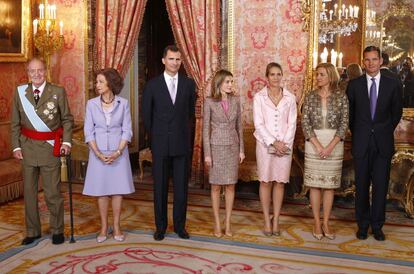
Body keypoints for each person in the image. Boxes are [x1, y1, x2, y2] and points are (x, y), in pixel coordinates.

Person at [11, 57, 73, 245]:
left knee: (52, 193)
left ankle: (57, 230)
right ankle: (32, 231)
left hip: (49, 148)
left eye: (39, 70)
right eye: (32, 71)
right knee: (29, 193)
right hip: (27, 148)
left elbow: (67, 120)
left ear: (45, 71)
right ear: (27, 73)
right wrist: (16, 146)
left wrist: (67, 143)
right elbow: (15, 123)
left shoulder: (57, 92)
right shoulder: (20, 92)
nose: (36, 74)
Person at [347, 46, 403, 241]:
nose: (370, 63)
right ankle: (362, 225)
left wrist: (382, 130)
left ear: (381, 61)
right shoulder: (354, 85)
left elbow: (396, 113)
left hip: (383, 143)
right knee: (361, 186)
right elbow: (351, 116)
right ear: (363, 62)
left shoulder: (392, 84)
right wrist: (362, 132)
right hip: (361, 142)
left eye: (374, 59)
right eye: (367, 60)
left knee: (381, 186)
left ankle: (377, 226)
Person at [142, 45, 196, 241]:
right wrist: (155, 138)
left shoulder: (189, 84)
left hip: (181, 143)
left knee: (181, 188)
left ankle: (180, 226)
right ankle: (161, 227)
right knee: (160, 188)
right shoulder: (152, 85)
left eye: (178, 60)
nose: (175, 63)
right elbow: (146, 117)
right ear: (164, 60)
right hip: (160, 144)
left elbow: (190, 114)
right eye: (172, 59)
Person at [83, 68, 134, 243]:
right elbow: (88, 131)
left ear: (111, 83)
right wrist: (97, 153)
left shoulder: (124, 103)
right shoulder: (91, 104)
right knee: (101, 192)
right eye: (97, 82)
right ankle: (104, 227)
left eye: (101, 82)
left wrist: (118, 152)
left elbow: (127, 130)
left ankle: (117, 226)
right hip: (97, 154)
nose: (97, 85)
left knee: (117, 191)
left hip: (118, 154)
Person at [302, 63, 348, 240]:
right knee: (314, 184)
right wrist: (318, 145)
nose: (318, 77)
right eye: (317, 74)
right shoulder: (310, 96)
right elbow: (305, 123)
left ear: (330, 75)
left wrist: (330, 146)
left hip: (334, 144)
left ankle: (326, 221)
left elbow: (344, 124)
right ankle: (316, 221)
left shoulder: (341, 97)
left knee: (329, 186)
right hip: (313, 143)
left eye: (321, 74)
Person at [253, 63, 297, 236]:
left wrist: (284, 143)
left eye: (279, 74)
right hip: (264, 145)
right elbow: (259, 123)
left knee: (279, 182)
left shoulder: (290, 97)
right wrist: (273, 142)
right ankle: (266, 219)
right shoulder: (259, 97)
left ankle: (276, 218)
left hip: (286, 145)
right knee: (265, 181)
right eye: (272, 74)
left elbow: (292, 123)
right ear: (267, 77)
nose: (276, 77)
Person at [203, 69, 245, 238]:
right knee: (215, 186)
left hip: (233, 147)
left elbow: (239, 127)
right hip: (216, 147)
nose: (230, 85)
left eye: (231, 82)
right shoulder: (210, 102)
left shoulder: (236, 100)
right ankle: (217, 224)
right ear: (219, 83)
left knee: (230, 185)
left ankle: (228, 222)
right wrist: (207, 153)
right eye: (227, 82)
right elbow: (206, 129)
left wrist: (242, 149)